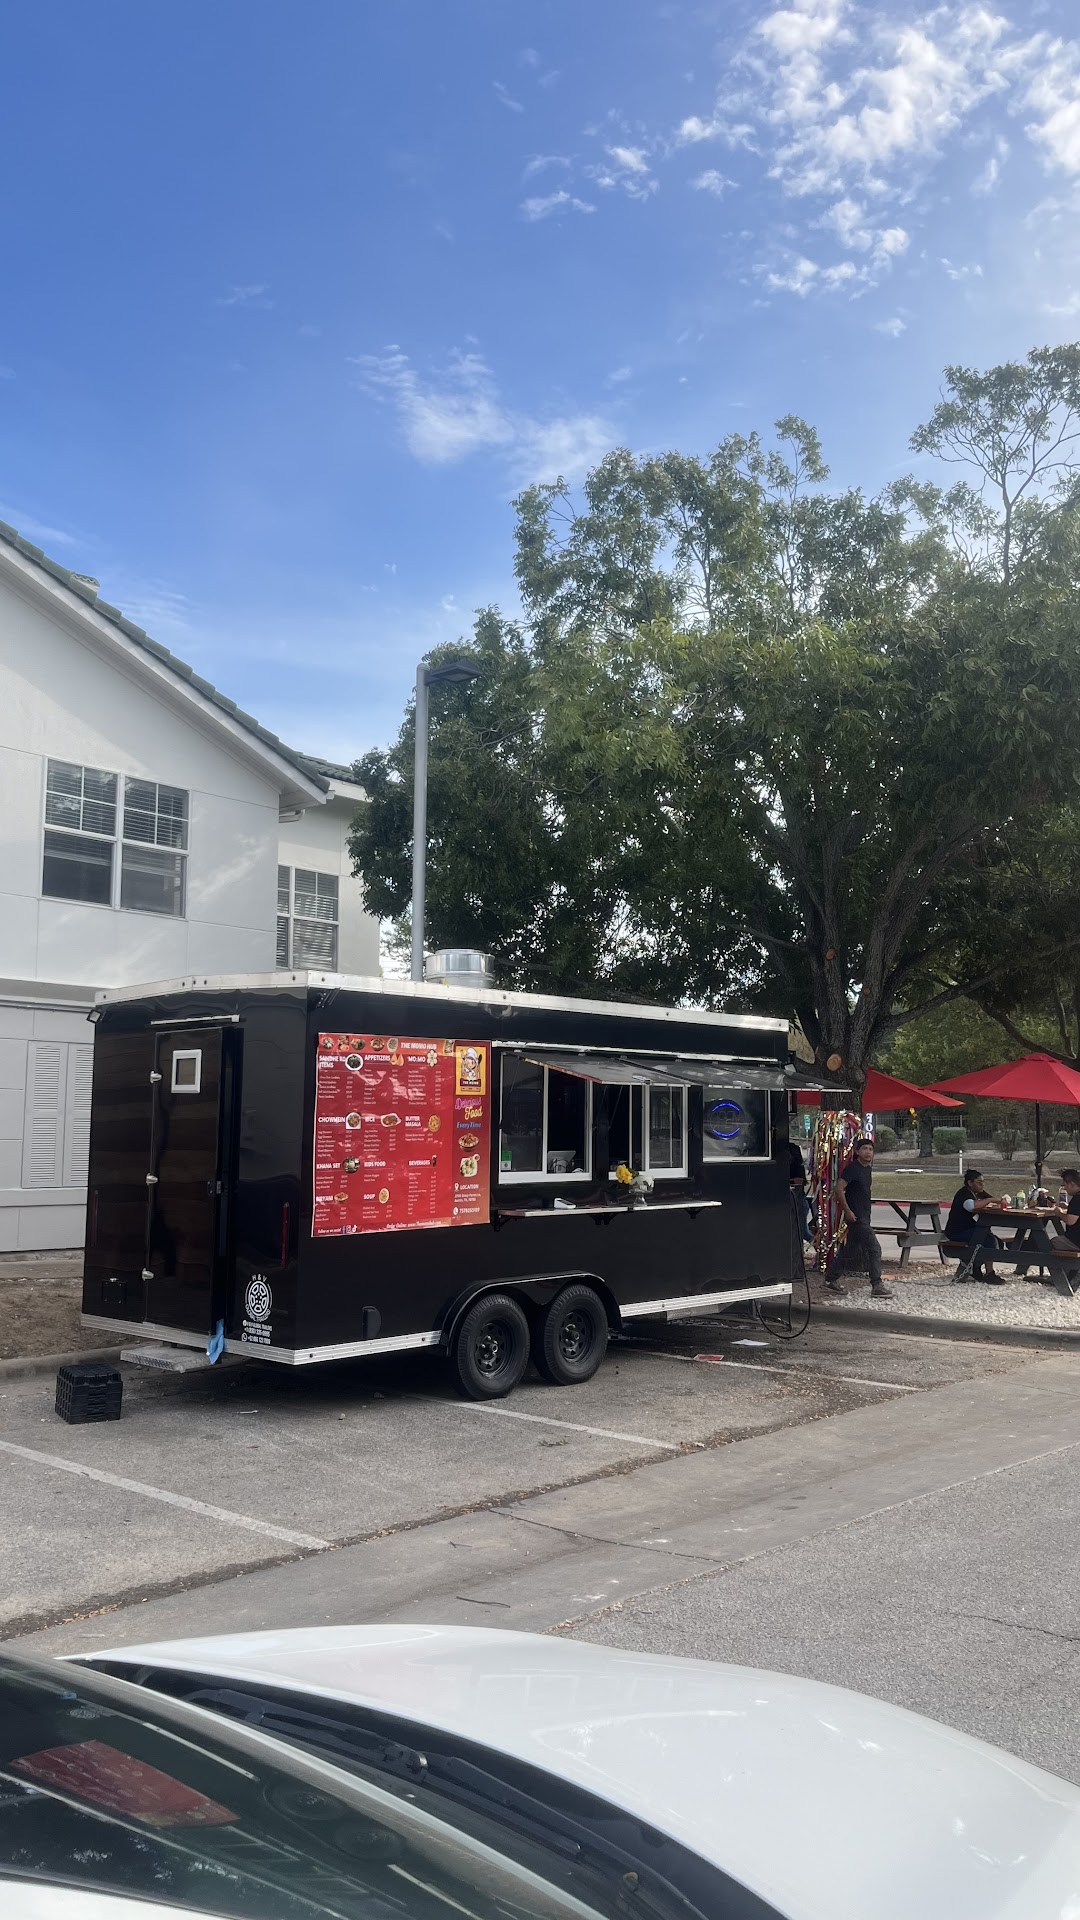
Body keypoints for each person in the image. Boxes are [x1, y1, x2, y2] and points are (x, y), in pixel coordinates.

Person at [833, 1138, 893, 1299]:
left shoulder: (867, 1169)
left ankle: (830, 1279)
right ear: (857, 1151)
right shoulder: (853, 1169)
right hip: (856, 1217)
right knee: (874, 1249)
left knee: (849, 1251)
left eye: (870, 1149)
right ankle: (877, 1284)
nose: (868, 1152)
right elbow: (839, 1188)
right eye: (864, 1149)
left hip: (864, 1216)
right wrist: (847, 1211)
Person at [944, 1169, 1006, 1282]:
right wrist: (989, 1200)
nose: (982, 1185)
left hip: (970, 1228)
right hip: (958, 1231)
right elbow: (970, 1206)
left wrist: (1000, 1201)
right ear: (970, 1183)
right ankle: (989, 1273)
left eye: (983, 1182)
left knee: (995, 1240)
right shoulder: (964, 1193)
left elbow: (994, 1201)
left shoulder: (979, 1193)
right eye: (979, 1182)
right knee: (989, 1240)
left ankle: (976, 1268)